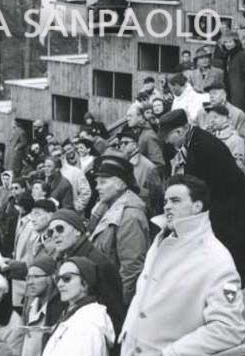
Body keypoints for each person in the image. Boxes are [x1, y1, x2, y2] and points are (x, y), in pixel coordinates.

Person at [117, 175, 245, 356]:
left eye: (176, 201)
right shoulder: (162, 238)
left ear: (197, 206)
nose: (167, 206)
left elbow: (230, 327)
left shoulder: (216, 258)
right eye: (166, 201)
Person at [159, 109, 245, 286]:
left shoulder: (203, 145)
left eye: (168, 137)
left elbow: (232, 173)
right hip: (219, 203)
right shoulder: (194, 140)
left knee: (230, 260)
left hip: (226, 209)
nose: (167, 142)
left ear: (179, 131)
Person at [32, 258, 115, 356]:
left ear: (85, 283)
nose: (60, 284)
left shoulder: (89, 324)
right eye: (58, 279)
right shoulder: (73, 317)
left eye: (67, 278)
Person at [47, 210, 125, 334]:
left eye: (60, 229)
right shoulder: (63, 259)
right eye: (51, 232)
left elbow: (113, 314)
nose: (55, 235)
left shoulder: (99, 263)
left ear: (78, 231)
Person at [88, 155, 150, 305]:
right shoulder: (105, 207)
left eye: (103, 182)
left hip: (113, 298)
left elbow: (131, 268)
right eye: (97, 183)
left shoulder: (130, 216)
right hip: (102, 291)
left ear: (120, 184)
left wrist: (119, 305)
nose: (97, 187)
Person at [10, 258, 62, 356]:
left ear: (51, 278)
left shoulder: (57, 312)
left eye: (36, 277)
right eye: (28, 277)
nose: (30, 282)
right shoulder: (32, 306)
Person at [115, 128, 164, 216]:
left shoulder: (148, 167)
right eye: (120, 144)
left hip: (142, 211)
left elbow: (157, 196)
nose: (122, 146)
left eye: (126, 143)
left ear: (136, 145)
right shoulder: (122, 163)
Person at [217, 29, 245, 110]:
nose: (228, 44)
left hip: (240, 94)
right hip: (229, 91)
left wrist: (243, 90)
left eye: (230, 42)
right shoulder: (227, 56)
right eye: (225, 42)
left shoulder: (242, 55)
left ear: (236, 42)